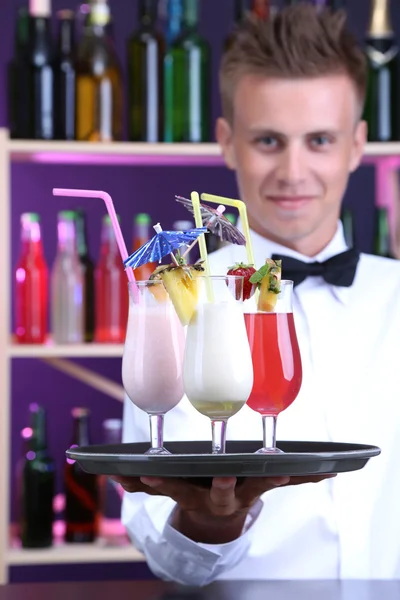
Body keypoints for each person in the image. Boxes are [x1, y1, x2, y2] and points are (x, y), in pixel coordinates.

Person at [116, 5, 400, 585]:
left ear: (356, 146)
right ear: (227, 143)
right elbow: (160, 546)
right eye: (269, 140)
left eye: (319, 140)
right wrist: (209, 525)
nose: (294, 172)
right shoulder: (175, 302)